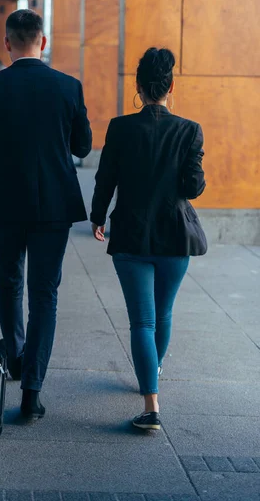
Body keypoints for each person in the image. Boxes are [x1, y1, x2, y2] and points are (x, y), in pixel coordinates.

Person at [0, 9, 92, 420]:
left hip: (3, 206)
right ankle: (32, 391)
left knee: (8, 285)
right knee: (45, 296)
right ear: (43, 41)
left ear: (6, 44)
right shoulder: (68, 87)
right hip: (54, 208)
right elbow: (84, 147)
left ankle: (15, 358)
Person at [91, 47, 207, 431]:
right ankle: (150, 374)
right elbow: (193, 187)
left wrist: (96, 217)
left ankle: (151, 405)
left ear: (138, 86)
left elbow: (104, 178)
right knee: (164, 314)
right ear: (171, 86)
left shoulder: (121, 127)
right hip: (175, 237)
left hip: (131, 236)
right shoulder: (190, 130)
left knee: (142, 321)